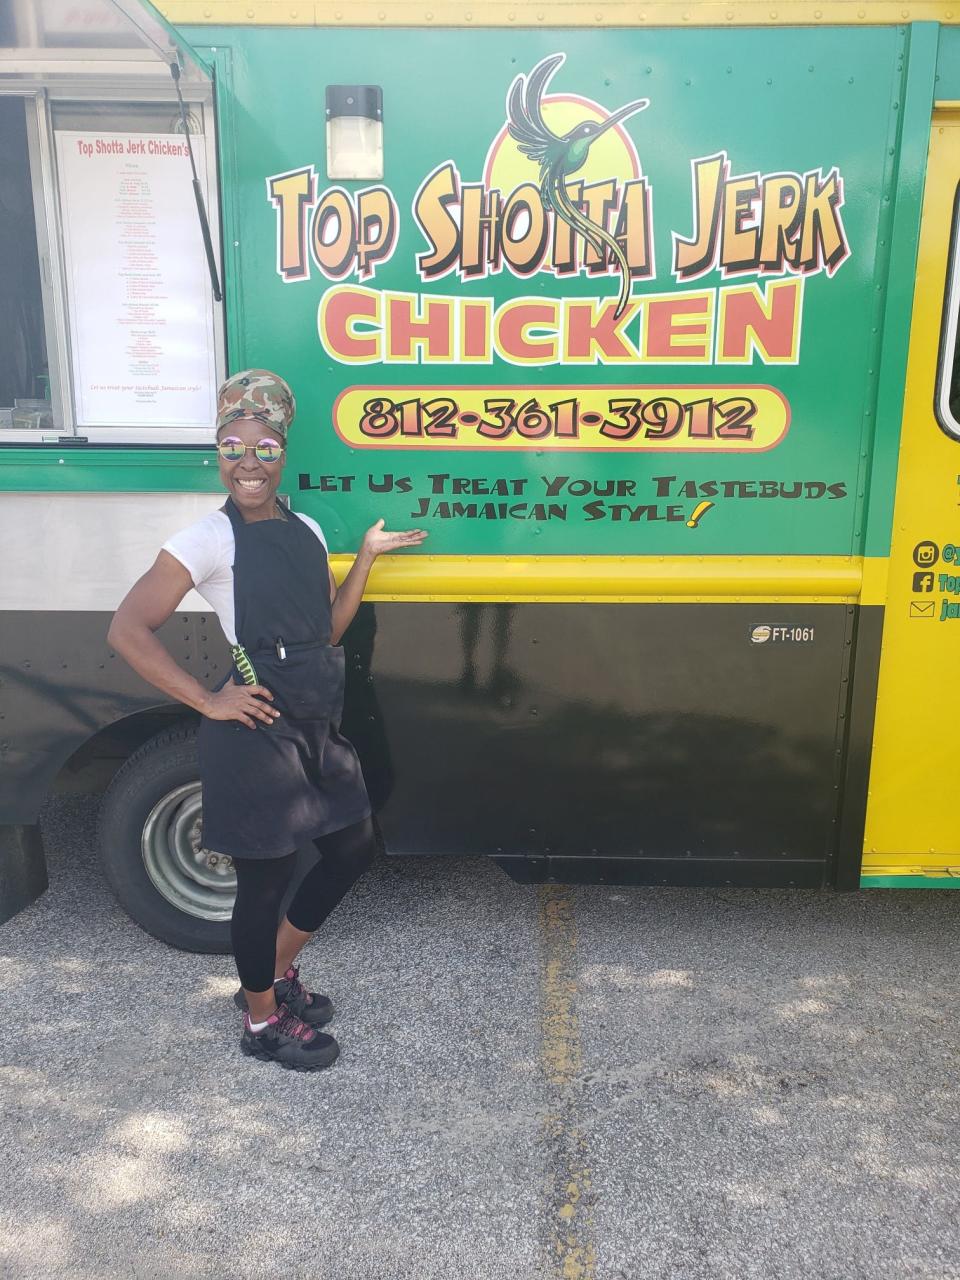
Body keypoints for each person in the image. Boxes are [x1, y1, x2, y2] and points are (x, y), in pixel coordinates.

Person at [108, 370, 426, 1071]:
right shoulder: (207, 539)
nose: (248, 461)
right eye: (232, 446)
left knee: (350, 847)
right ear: (216, 454)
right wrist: (208, 700)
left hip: (314, 715)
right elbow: (128, 629)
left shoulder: (307, 528)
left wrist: (365, 560)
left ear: (284, 453)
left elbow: (328, 631)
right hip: (252, 728)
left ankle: (275, 972)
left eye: (264, 448)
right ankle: (260, 1023)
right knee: (265, 877)